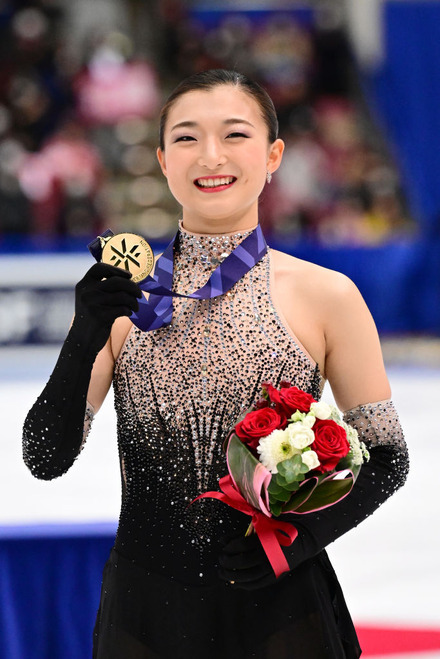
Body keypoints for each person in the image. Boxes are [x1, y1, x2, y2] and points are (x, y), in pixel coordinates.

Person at [23, 69, 409, 659]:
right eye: (185, 138)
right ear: (160, 159)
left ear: (274, 154)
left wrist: (294, 542)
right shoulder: (125, 298)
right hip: (145, 615)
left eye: (234, 135)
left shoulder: (326, 295)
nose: (210, 156)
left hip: (283, 611)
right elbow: (44, 459)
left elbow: (387, 458)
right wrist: (84, 339)